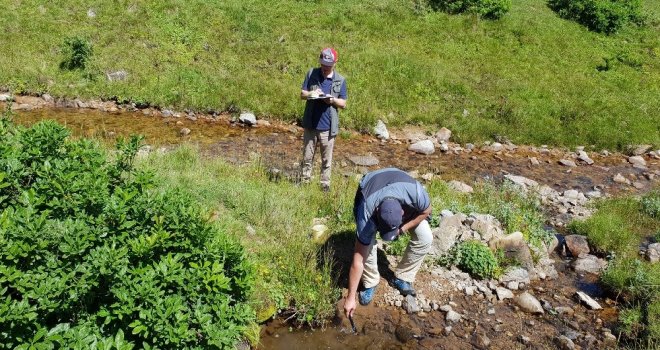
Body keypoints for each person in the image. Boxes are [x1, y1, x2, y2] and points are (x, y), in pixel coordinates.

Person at [344, 168, 433, 318]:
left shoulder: (417, 194)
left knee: (425, 237)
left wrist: (402, 229)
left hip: (400, 190)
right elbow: (358, 260)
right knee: (368, 243)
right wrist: (350, 297)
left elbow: (426, 211)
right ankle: (371, 282)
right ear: (377, 211)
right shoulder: (366, 210)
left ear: (403, 213)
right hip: (370, 189)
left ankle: (403, 277)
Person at [300, 47, 347, 192]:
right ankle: (304, 182)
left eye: (328, 65)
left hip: (328, 126)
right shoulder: (311, 73)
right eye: (323, 64)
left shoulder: (340, 80)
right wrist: (311, 94)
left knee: (327, 160)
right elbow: (302, 94)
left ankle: (324, 185)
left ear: (335, 63)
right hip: (311, 124)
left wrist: (332, 100)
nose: (325, 68)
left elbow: (343, 103)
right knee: (307, 157)